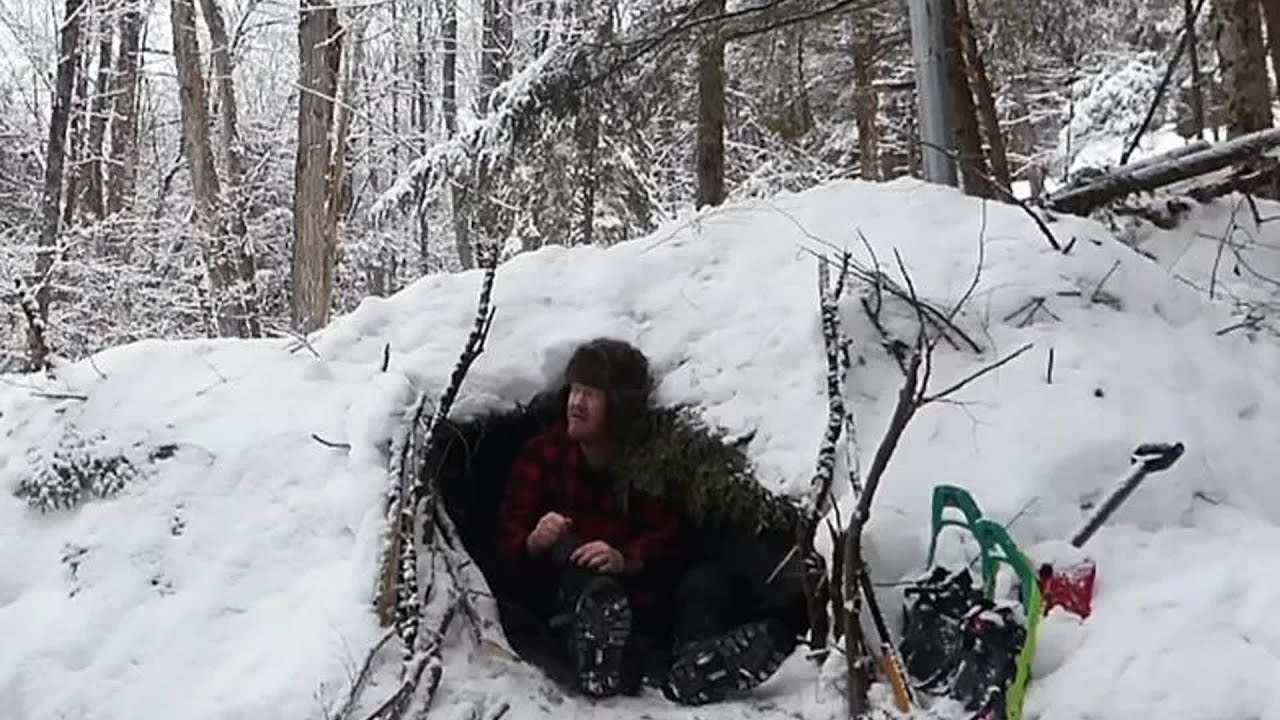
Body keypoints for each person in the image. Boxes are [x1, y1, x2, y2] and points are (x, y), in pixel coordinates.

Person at [495, 337, 796, 705]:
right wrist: (534, 540)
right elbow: (504, 544)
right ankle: (602, 661)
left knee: (708, 581)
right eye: (574, 391)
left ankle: (697, 662)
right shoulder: (543, 455)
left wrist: (627, 558)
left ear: (618, 405)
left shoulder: (651, 461)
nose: (576, 403)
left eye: (590, 394)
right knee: (585, 581)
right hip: (577, 600)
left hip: (647, 597)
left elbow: (678, 535)